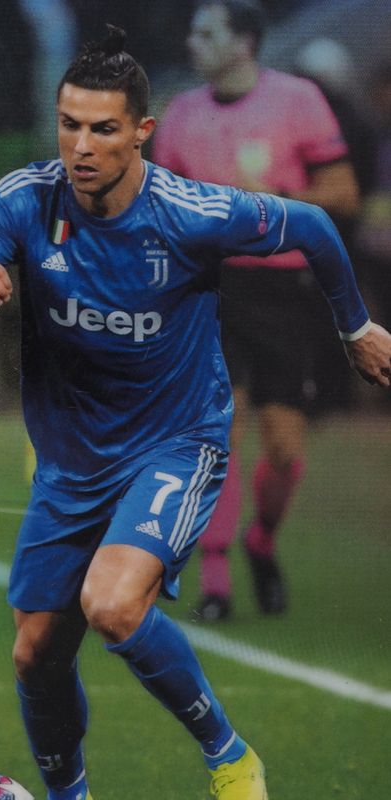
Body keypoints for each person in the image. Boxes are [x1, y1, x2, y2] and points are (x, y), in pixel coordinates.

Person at [0, 25, 391, 800]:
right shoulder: (23, 199)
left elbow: (308, 226)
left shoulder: (187, 212)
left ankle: (229, 759)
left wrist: (354, 328)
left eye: (103, 129)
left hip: (174, 442)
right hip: (70, 462)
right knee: (35, 654)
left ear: (141, 131)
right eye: (69, 124)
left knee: (110, 602)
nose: (81, 146)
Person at [153, 0, 361, 621]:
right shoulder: (181, 114)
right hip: (213, 289)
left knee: (285, 450)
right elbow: (159, 208)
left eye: (207, 33)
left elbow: (344, 194)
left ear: (243, 42)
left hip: (283, 291)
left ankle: (261, 541)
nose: (193, 43)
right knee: (222, 431)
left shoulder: (298, 100)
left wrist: (279, 198)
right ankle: (215, 582)